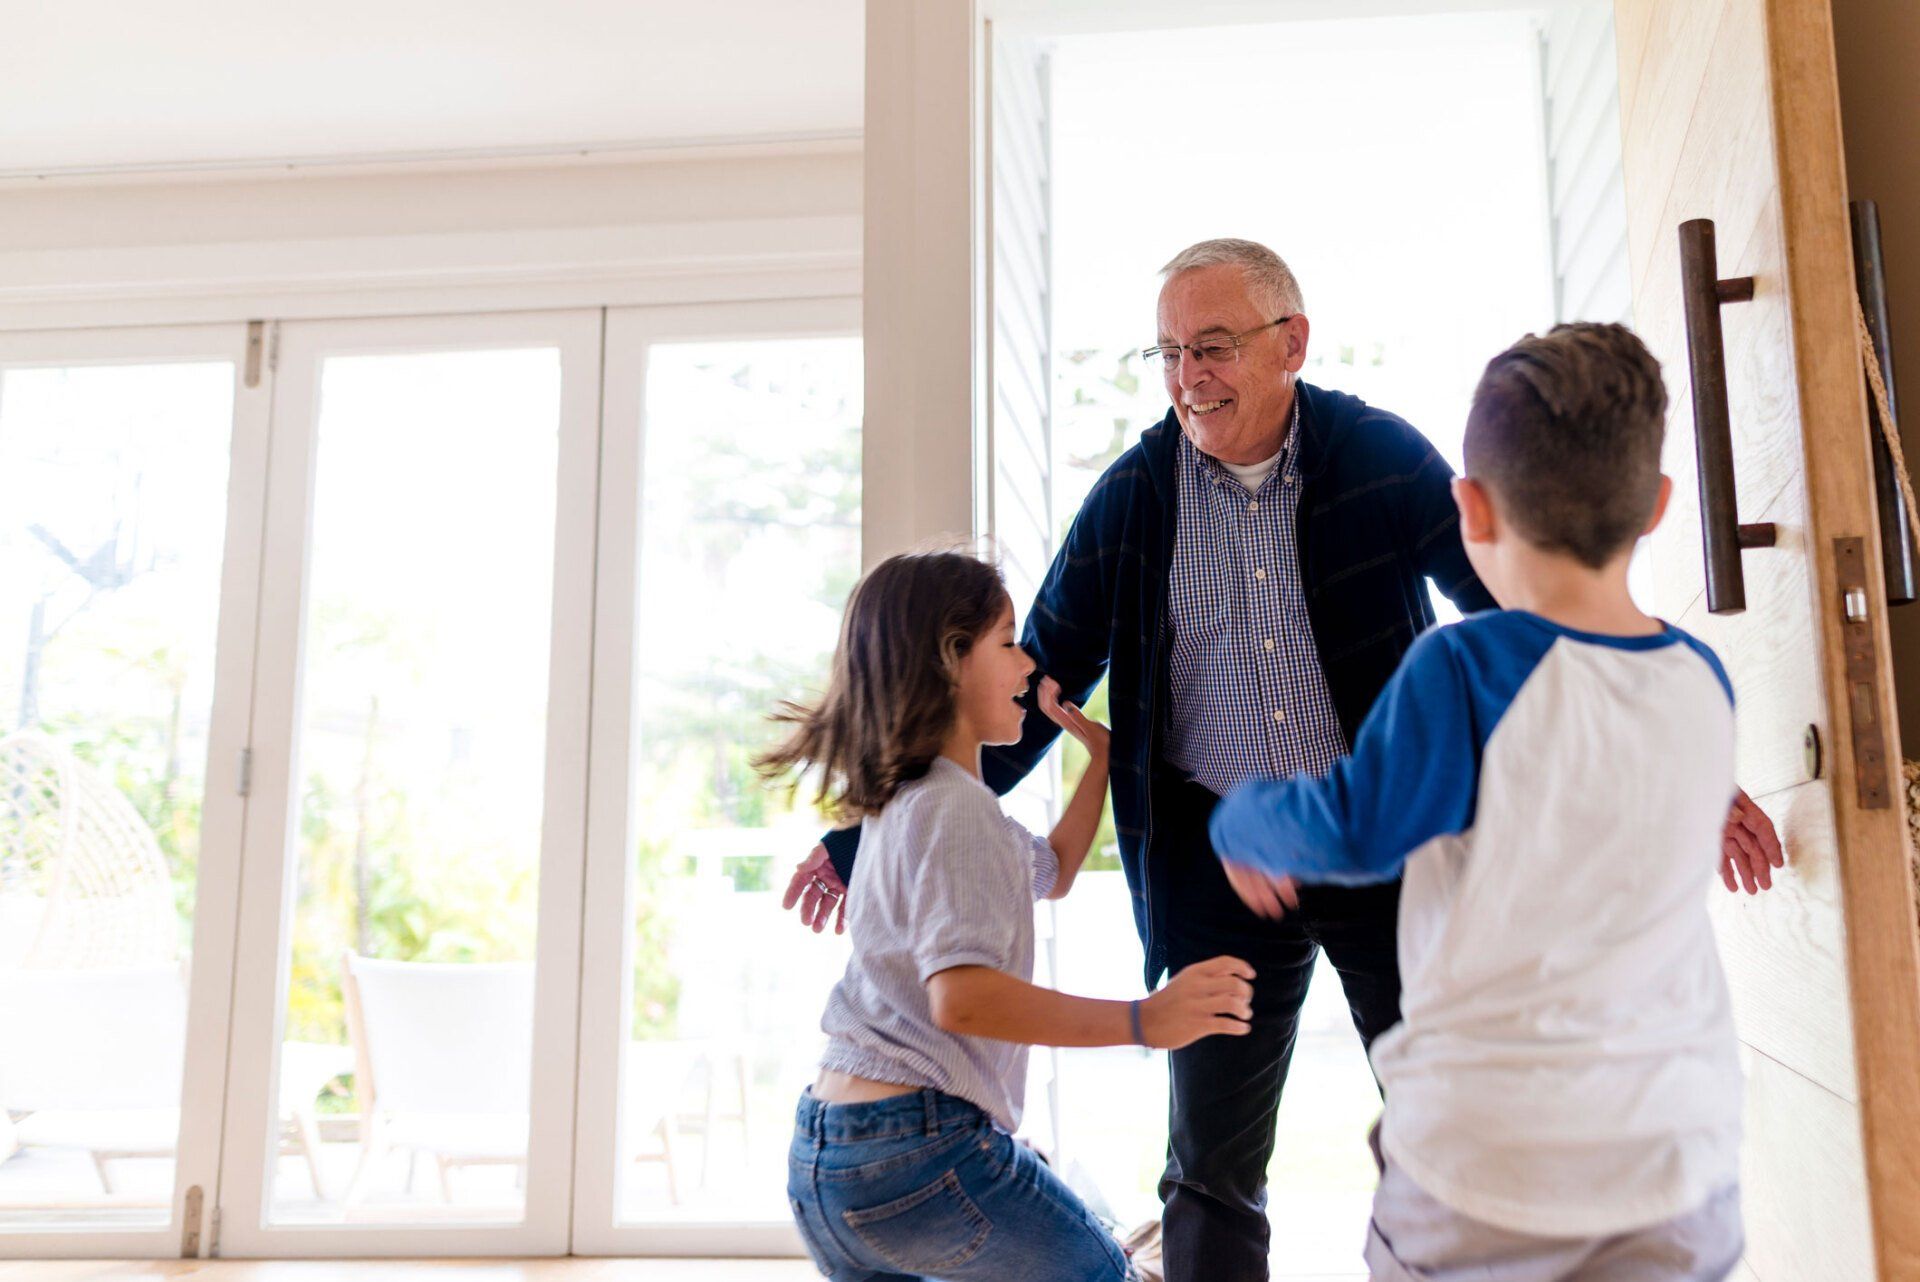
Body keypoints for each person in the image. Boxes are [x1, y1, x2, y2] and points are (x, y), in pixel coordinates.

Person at [784, 239, 1781, 1281]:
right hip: (1215, 868)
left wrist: (1688, 767)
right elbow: (1027, 693)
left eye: (1210, 347)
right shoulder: (1134, 500)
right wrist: (861, 841)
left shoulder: (1379, 458)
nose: (1187, 377)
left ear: (1289, 343)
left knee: (1448, 1108)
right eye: (1168, 352)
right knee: (1212, 1163)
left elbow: (1531, 610)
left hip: (1379, 842)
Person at [1211, 323, 1745, 1281]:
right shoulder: (1703, 680)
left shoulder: (1467, 666)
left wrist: (1243, 817)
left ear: (1470, 508)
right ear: (1658, 505)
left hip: (1490, 1175)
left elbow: (1356, 828)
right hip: (1679, 1169)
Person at [758, 549, 1254, 1281]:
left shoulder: (910, 803)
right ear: (951, 660)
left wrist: (1102, 762)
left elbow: (1049, 871)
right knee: (1107, 1272)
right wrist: (1146, 1020)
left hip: (825, 1155)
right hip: (916, 1153)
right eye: (1009, 642)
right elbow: (963, 997)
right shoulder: (957, 813)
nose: (1028, 667)